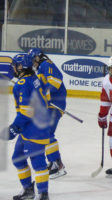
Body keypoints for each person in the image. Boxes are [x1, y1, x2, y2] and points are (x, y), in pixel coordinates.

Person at [1, 54, 50, 200]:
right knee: (18, 158)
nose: (13, 67)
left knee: (37, 161)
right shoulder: (34, 78)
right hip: (29, 127)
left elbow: (27, 112)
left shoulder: (22, 83)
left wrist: (14, 128)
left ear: (21, 67)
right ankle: (28, 190)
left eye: (15, 65)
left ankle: (43, 194)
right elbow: (45, 95)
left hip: (36, 128)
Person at [27, 48, 68, 179]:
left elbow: (56, 81)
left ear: (38, 57)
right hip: (50, 105)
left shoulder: (46, 64)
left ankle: (57, 164)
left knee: (47, 132)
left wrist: (45, 94)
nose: (32, 63)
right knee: (46, 132)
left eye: (33, 60)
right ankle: (55, 162)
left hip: (56, 104)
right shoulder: (39, 69)